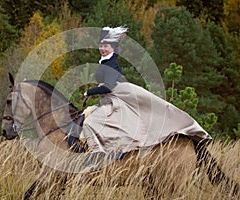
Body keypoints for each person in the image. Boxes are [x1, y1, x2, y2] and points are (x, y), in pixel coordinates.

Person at [79, 26, 212, 166]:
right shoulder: (104, 60)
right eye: (101, 45)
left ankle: (96, 154)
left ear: (113, 47)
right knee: (86, 114)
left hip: (116, 98)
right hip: (108, 99)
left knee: (90, 122)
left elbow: (107, 87)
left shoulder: (112, 63)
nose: (102, 48)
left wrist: (89, 92)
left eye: (105, 46)